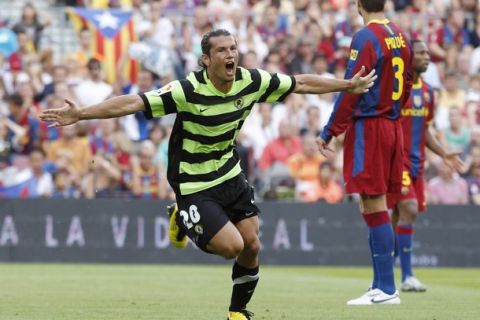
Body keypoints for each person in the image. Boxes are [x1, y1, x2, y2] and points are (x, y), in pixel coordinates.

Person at [40, 29, 375, 320]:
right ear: (205, 59)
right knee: (232, 247)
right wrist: (82, 113)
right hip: (193, 181)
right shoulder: (187, 90)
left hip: (229, 173)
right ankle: (182, 216)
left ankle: (237, 311)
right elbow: (134, 103)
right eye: (221, 50)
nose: (230, 55)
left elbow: (300, 82)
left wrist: (347, 84)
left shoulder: (251, 80)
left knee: (253, 245)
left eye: (233, 48)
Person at [317, 0, 412, 305]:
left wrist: (331, 129)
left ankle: (386, 288)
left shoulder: (365, 37)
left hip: (371, 128)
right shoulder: (400, 34)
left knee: (373, 204)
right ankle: (378, 285)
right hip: (392, 124)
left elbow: (352, 88)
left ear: (359, 5)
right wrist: (392, 108)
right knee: (374, 204)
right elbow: (408, 83)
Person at [386, 40, 465, 292]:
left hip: (418, 164)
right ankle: (407, 276)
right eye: (420, 53)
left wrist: (443, 154)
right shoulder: (397, 91)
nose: (427, 57)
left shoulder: (430, 92)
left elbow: (426, 131)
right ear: (409, 57)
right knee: (408, 209)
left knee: (399, 216)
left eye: (428, 53)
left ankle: (384, 274)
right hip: (398, 162)